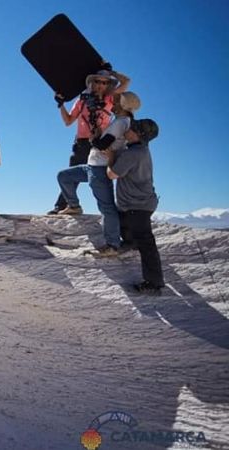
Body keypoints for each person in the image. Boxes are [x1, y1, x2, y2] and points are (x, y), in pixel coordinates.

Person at [56, 92, 141, 256]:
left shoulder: (121, 122)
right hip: (92, 166)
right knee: (64, 176)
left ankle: (113, 245)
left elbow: (102, 144)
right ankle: (74, 206)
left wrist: (94, 137)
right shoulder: (120, 121)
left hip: (100, 169)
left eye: (117, 101)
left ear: (123, 105)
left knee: (107, 207)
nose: (113, 103)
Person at [49, 65, 130, 215]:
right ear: (92, 82)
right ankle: (64, 206)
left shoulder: (110, 99)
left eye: (104, 82)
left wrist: (111, 72)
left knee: (102, 177)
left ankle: (113, 210)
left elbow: (126, 82)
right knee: (70, 176)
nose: (100, 85)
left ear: (108, 85)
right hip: (81, 144)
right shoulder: (82, 101)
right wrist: (61, 105)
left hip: (100, 144)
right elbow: (68, 121)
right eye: (98, 81)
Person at [107, 119, 164, 295]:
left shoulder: (133, 154)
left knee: (146, 244)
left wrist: (110, 156)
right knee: (127, 225)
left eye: (132, 128)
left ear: (139, 134)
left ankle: (154, 284)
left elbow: (112, 174)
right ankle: (130, 243)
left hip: (137, 206)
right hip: (139, 204)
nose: (128, 129)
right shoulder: (140, 150)